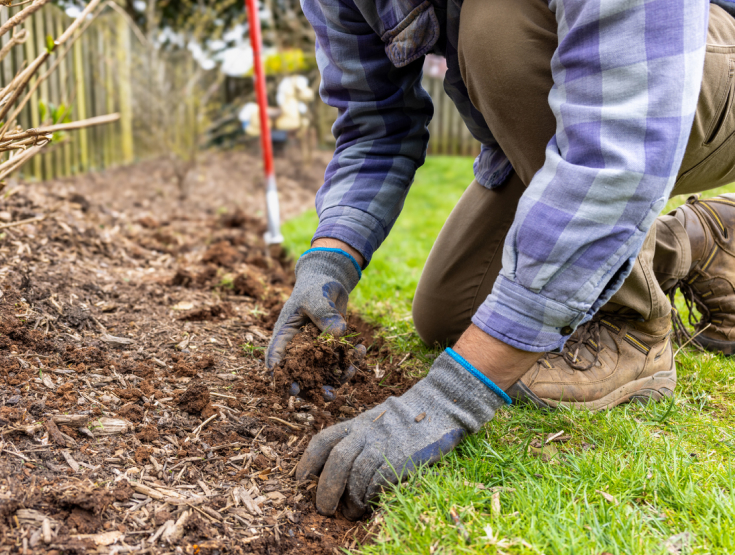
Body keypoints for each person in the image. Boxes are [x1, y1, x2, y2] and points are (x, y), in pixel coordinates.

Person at [265, 0, 735, 519]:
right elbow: (374, 126)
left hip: (678, 72)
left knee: (497, 25)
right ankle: (695, 241)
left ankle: (630, 326)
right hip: (575, 111)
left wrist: (451, 396)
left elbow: (619, 147)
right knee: (450, 315)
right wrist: (330, 259)